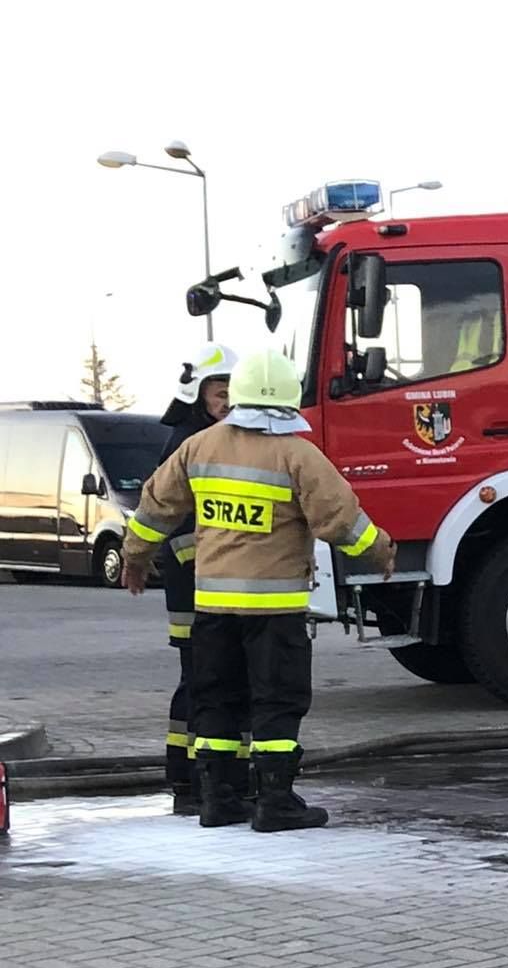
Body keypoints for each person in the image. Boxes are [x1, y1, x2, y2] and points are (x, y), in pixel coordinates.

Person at [122, 349, 395, 832]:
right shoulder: (297, 454)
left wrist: (135, 558)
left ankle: (218, 800)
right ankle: (276, 802)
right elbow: (342, 521)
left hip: (213, 608)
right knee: (276, 702)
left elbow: (154, 508)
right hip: (274, 609)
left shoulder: (198, 448)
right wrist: (381, 553)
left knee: (216, 700)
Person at [154, 343, 238, 814]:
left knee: (211, 678)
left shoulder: (211, 436)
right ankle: (190, 779)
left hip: (213, 580)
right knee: (201, 679)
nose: (226, 401)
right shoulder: (187, 442)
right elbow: (170, 515)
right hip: (195, 585)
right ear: (199, 392)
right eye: (219, 391)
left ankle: (200, 778)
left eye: (232, 391)